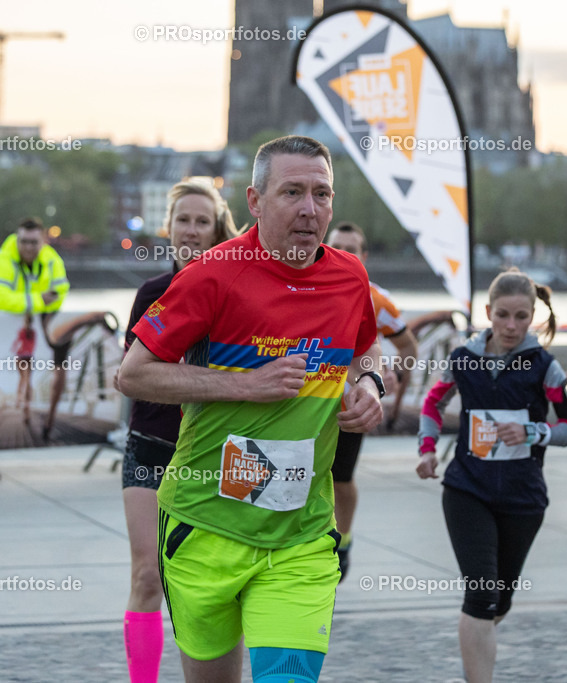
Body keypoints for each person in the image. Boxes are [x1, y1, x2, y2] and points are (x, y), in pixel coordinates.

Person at [117, 135, 383, 683]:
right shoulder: (213, 274)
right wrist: (245, 383)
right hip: (204, 524)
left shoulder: (348, 276)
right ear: (256, 201)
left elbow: (364, 347)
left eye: (322, 194)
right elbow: (133, 374)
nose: (310, 209)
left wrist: (371, 384)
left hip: (302, 533)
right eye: (292, 192)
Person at [416, 269, 567, 683]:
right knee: (481, 594)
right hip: (466, 489)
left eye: (522, 317)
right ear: (488, 312)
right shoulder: (463, 359)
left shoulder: (544, 367)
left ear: (534, 318)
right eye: (504, 315)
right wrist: (426, 450)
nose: (512, 326)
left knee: (499, 601)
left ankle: (477, 642)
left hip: (522, 498)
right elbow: (432, 404)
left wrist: (534, 432)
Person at [119, 178, 238, 683]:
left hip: (212, 455)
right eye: (183, 220)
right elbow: (132, 375)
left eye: (201, 221)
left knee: (205, 586)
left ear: (216, 231)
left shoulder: (235, 292)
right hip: (152, 445)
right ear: (169, 228)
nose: (191, 230)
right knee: (148, 574)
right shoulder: (152, 294)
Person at [325, 221, 419, 580]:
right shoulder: (308, 283)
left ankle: (343, 542)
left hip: (351, 402)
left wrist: (392, 379)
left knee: (341, 478)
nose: (344, 254)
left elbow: (408, 346)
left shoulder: (376, 299)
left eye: (352, 249)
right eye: (338, 246)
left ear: (363, 257)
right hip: (308, 400)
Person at [0, 217, 70, 478]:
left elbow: (61, 292)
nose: (29, 247)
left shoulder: (52, 260)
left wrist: (29, 304)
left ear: (43, 241)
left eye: (34, 242)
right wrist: (38, 300)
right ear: (17, 239)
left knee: (22, 381)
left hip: (28, 336)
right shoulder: (1, 261)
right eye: (24, 241)